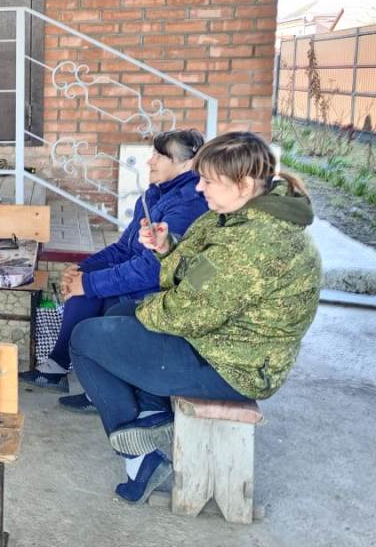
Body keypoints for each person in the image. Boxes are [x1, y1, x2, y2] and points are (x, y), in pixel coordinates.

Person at [69, 131, 321, 505]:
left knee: (86, 338)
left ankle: (137, 453)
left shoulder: (257, 241)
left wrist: (143, 309)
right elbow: (194, 269)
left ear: (243, 184)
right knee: (120, 313)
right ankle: (151, 414)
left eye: (208, 181)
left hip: (236, 366)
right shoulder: (237, 215)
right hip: (218, 340)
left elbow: (185, 312)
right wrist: (166, 247)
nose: (200, 188)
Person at [22, 129, 209, 414]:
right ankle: (59, 369)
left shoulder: (189, 204)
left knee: (103, 299)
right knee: (84, 287)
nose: (149, 161)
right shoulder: (155, 194)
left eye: (160, 156)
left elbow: (153, 270)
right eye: (153, 154)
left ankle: (103, 390)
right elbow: (124, 248)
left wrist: (90, 283)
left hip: (164, 290)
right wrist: (82, 269)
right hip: (144, 278)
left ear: (188, 163)